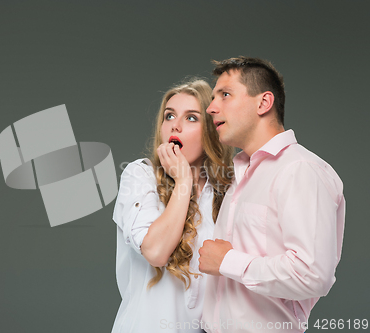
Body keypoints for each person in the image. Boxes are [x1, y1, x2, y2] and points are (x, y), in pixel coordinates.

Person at [198, 57, 345, 333]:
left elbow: (312, 275)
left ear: (264, 103)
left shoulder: (300, 170)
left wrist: (228, 262)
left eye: (225, 95)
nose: (211, 108)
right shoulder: (241, 175)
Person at [112, 79, 234, 333]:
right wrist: (183, 181)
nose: (175, 125)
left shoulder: (226, 190)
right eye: (169, 116)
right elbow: (156, 252)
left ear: (211, 130)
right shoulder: (139, 174)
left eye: (191, 118)